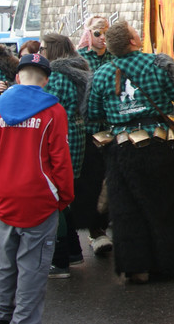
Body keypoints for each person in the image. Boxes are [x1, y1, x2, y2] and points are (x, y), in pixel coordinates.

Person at [87, 20, 174, 283]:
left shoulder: (101, 73)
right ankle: (164, 264)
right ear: (133, 41)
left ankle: (135, 266)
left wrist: (118, 118)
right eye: (135, 33)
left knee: (125, 208)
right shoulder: (159, 64)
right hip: (157, 145)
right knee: (162, 204)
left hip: (120, 148)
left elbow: (92, 112)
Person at [0, 52, 73, 324]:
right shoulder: (54, 111)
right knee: (33, 270)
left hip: (3, 198)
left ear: (17, 78)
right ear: (46, 80)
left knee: (2, 265)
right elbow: (61, 160)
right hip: (40, 200)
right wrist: (63, 197)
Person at [39, 33, 92, 278]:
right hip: (76, 134)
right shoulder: (76, 70)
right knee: (63, 196)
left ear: (53, 50)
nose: (40, 52)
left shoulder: (58, 75)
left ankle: (59, 260)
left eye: (42, 48)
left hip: (62, 137)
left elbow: (47, 106)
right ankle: (73, 252)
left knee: (54, 197)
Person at [72, 16, 113, 256]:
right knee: (89, 180)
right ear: (88, 34)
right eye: (97, 33)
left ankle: (100, 228)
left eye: (106, 32)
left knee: (107, 181)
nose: (102, 37)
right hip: (87, 130)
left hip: (110, 129)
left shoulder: (114, 58)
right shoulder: (80, 60)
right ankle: (91, 229)